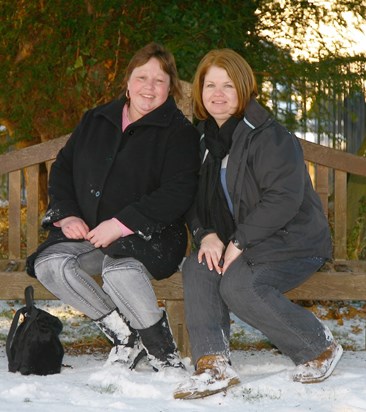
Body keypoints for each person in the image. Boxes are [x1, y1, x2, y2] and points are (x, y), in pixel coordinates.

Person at [174, 49, 343, 399]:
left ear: (244, 89)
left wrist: (238, 242)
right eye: (210, 85)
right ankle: (213, 363)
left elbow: (283, 198)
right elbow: (191, 197)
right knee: (199, 266)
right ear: (200, 92)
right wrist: (206, 235)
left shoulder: (268, 136)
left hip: (294, 241)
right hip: (247, 242)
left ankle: (318, 346)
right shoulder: (204, 140)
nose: (217, 94)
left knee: (239, 285)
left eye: (228, 85)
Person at [26, 42, 200, 372]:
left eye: (159, 81)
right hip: (91, 233)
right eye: (142, 77)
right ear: (128, 81)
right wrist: (67, 213)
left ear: (170, 87)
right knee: (50, 265)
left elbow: (178, 191)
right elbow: (63, 167)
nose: (149, 88)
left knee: (117, 270)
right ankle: (125, 337)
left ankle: (162, 352)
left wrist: (121, 224)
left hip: (152, 236)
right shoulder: (96, 119)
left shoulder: (179, 133)